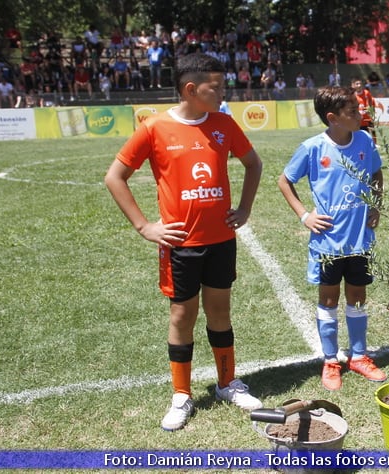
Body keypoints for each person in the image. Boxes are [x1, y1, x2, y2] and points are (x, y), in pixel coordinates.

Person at [104, 52, 264, 431]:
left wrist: (243, 209)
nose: (224, 93)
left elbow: (253, 163)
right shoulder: (155, 128)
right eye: (217, 86)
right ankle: (181, 394)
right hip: (181, 244)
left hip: (221, 240)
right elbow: (115, 177)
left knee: (220, 311)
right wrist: (145, 227)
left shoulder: (224, 124)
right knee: (182, 315)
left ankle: (228, 383)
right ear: (191, 89)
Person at [277, 85, 387, 391]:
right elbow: (284, 181)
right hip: (328, 243)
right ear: (333, 117)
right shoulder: (313, 148)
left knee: (358, 297)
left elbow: (376, 174)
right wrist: (305, 216)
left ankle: (360, 356)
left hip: (359, 240)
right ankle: (330, 360)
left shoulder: (364, 140)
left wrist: (376, 204)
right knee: (328, 300)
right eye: (352, 110)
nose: (359, 113)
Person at [351, 76, 377, 143]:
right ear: (354, 85)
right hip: (360, 118)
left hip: (368, 117)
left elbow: (371, 101)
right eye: (357, 84)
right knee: (362, 133)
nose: (359, 85)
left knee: (372, 130)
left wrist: (370, 110)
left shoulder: (366, 93)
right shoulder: (353, 95)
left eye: (360, 84)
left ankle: (375, 143)